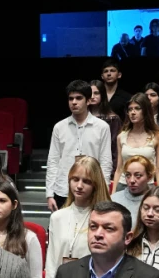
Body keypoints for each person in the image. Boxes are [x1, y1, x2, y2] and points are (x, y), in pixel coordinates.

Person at [45, 156, 110, 278]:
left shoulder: (103, 219)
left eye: (86, 181)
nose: (79, 185)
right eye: (75, 179)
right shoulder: (57, 217)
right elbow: (52, 262)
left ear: (95, 184)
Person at [44, 79, 115, 212]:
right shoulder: (59, 127)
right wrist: (49, 194)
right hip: (63, 189)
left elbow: (106, 162)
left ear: (88, 101)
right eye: (71, 99)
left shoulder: (102, 127)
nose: (74, 102)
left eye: (78, 98)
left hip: (92, 189)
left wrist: (104, 192)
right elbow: (53, 161)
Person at [114, 94, 159, 188]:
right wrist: (114, 193)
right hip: (124, 184)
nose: (133, 112)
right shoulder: (121, 136)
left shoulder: (158, 137)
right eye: (130, 109)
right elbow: (119, 169)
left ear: (146, 111)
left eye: (137, 108)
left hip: (147, 186)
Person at [88, 79, 123, 173]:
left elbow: (115, 148)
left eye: (96, 93)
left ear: (102, 95)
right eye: (90, 93)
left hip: (105, 166)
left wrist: (114, 171)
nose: (92, 96)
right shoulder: (81, 118)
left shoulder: (112, 119)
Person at [111, 155, 154, 223]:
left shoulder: (156, 200)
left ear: (149, 177)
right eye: (128, 175)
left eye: (138, 175)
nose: (132, 180)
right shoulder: (114, 199)